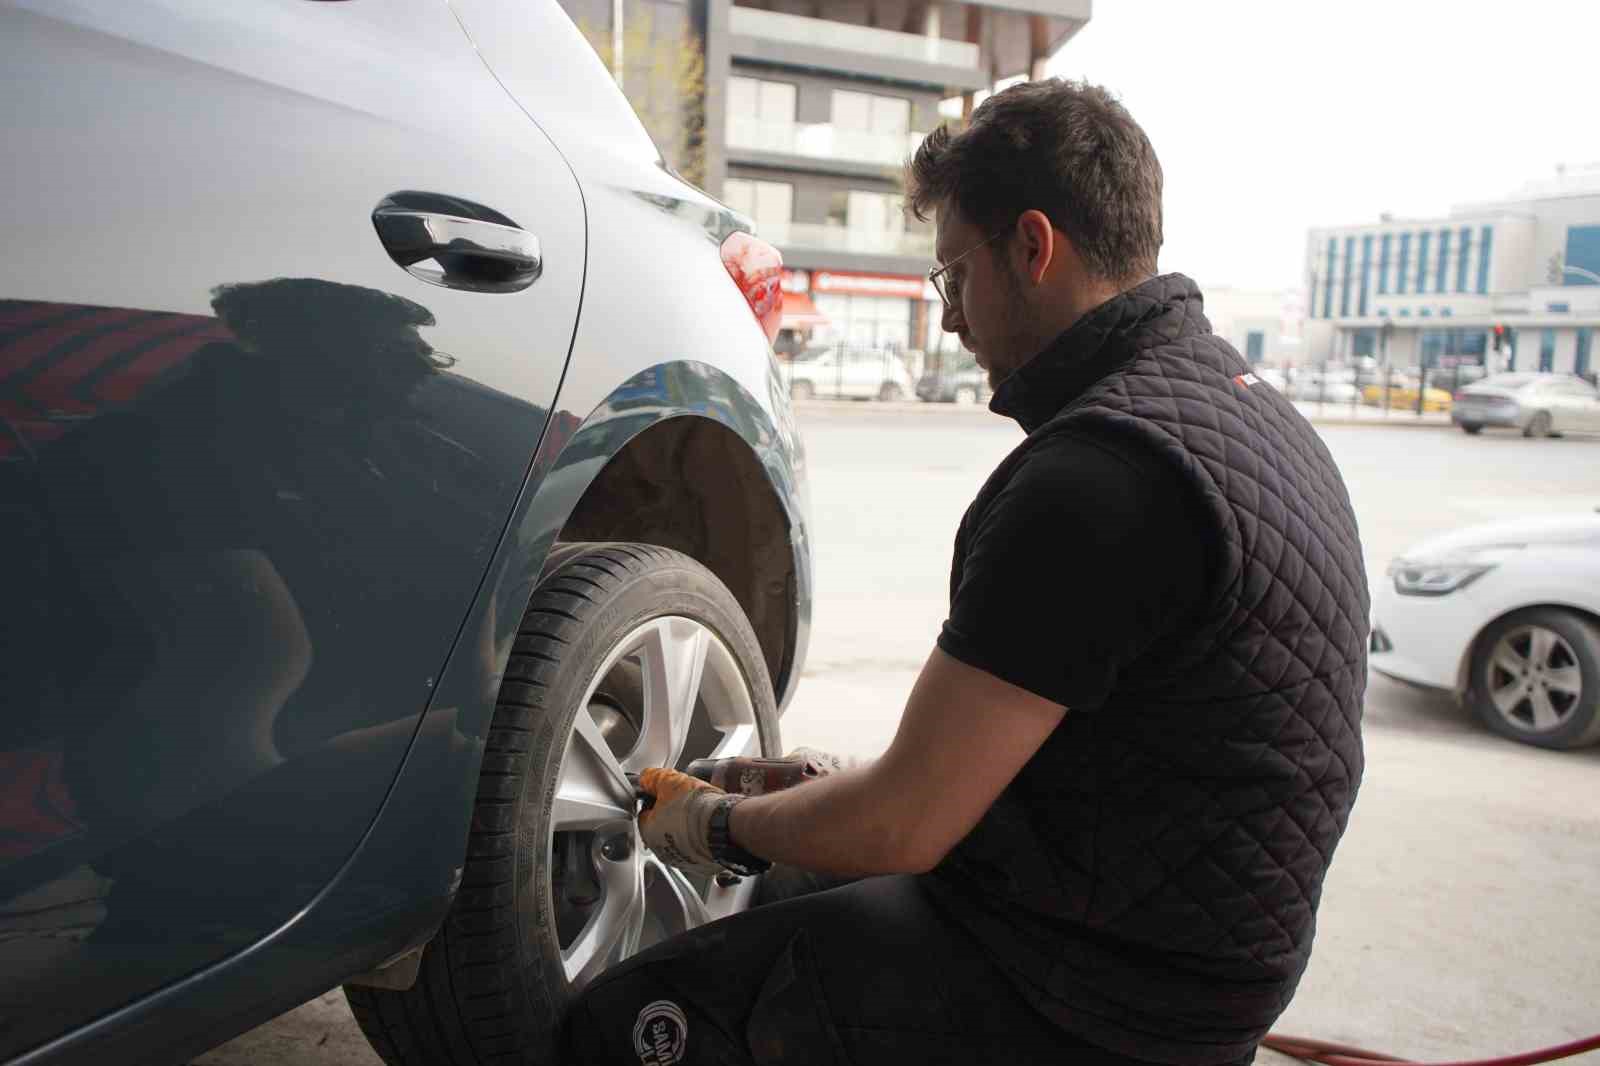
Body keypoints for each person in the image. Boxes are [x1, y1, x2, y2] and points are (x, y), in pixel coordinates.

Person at [564, 79, 1370, 1066]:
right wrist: (827, 796)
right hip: (1177, 946)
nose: (951, 322)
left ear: (1032, 247)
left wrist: (718, 823)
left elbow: (903, 827)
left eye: (953, 276)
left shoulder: (1100, 479)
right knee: (784, 884)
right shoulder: (1244, 412)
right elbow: (1095, 748)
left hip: (1092, 996)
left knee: (618, 1026)